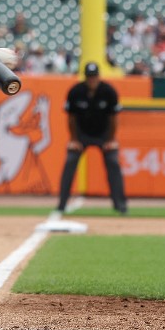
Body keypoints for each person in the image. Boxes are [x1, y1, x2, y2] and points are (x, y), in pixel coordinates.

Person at [54, 62, 128, 216]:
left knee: (113, 162)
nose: (92, 80)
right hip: (81, 134)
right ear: (86, 77)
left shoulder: (108, 91)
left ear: (98, 77)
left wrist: (111, 139)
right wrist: (74, 139)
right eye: (89, 77)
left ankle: (120, 205)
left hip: (104, 134)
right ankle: (61, 204)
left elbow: (113, 118)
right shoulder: (76, 91)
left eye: (94, 77)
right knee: (70, 161)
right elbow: (71, 118)